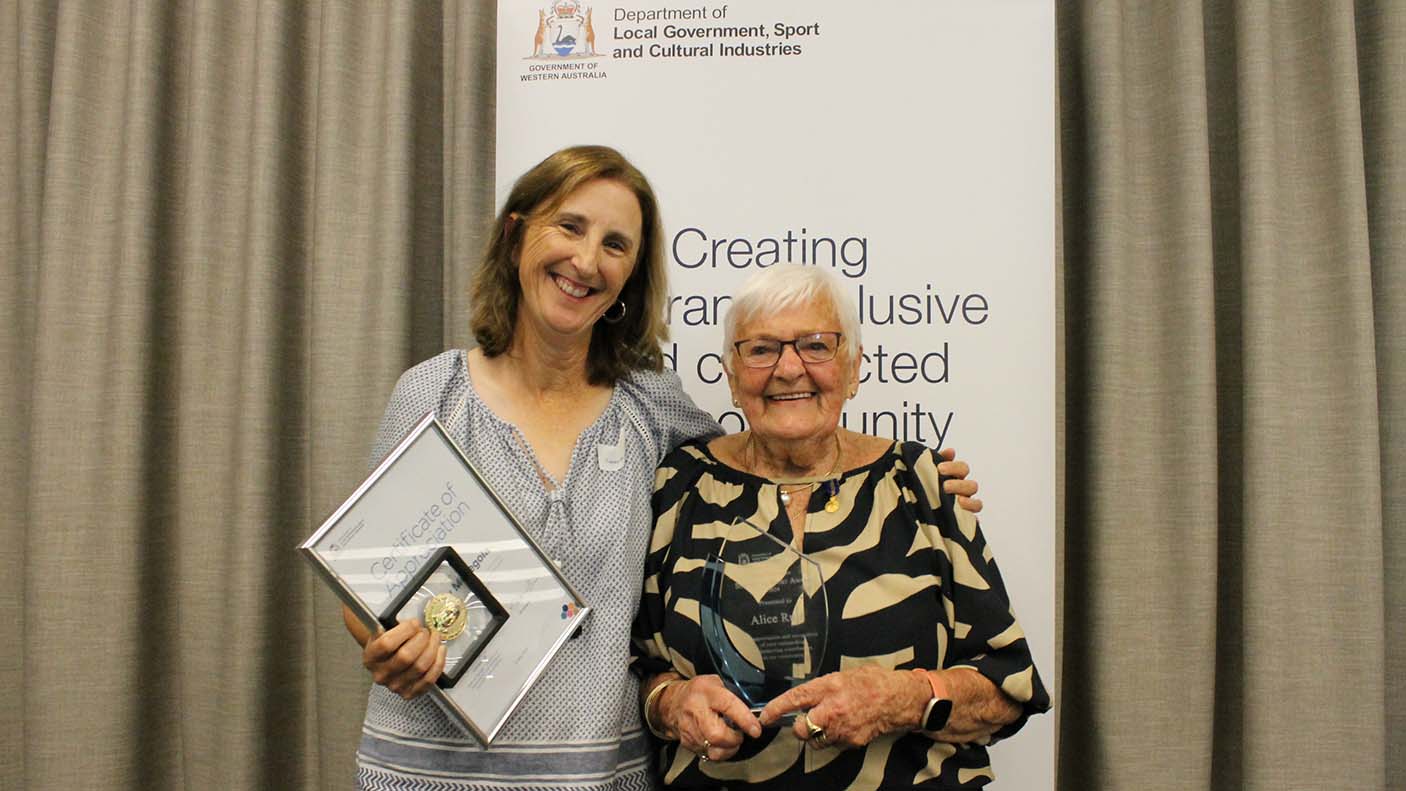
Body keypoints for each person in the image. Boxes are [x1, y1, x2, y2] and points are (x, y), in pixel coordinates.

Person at [340, 146, 985, 791]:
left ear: (630, 278)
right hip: (427, 768)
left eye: (616, 244)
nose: (587, 260)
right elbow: (371, 580)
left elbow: (769, 457)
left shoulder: (652, 407)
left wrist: (908, 482)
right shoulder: (434, 393)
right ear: (515, 235)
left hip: (598, 774)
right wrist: (391, 643)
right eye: (569, 226)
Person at [633, 264, 1049, 789]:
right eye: (761, 349)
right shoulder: (678, 485)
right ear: (731, 377)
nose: (788, 369)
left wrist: (904, 700)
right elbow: (633, 665)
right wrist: (670, 704)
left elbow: (1007, 687)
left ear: (853, 369)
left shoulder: (918, 482)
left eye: (816, 345)